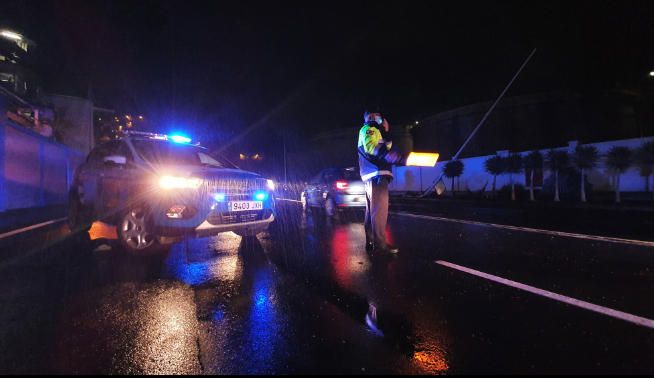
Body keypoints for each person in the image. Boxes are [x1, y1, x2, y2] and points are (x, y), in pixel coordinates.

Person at [357, 110, 404, 254]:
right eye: (373, 115)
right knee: (379, 211)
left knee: (372, 211)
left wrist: (386, 132)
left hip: (373, 174)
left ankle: (371, 241)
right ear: (368, 118)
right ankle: (381, 244)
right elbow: (372, 147)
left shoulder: (377, 131)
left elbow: (386, 147)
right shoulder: (369, 129)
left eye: (377, 115)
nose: (376, 117)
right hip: (376, 174)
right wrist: (388, 155)